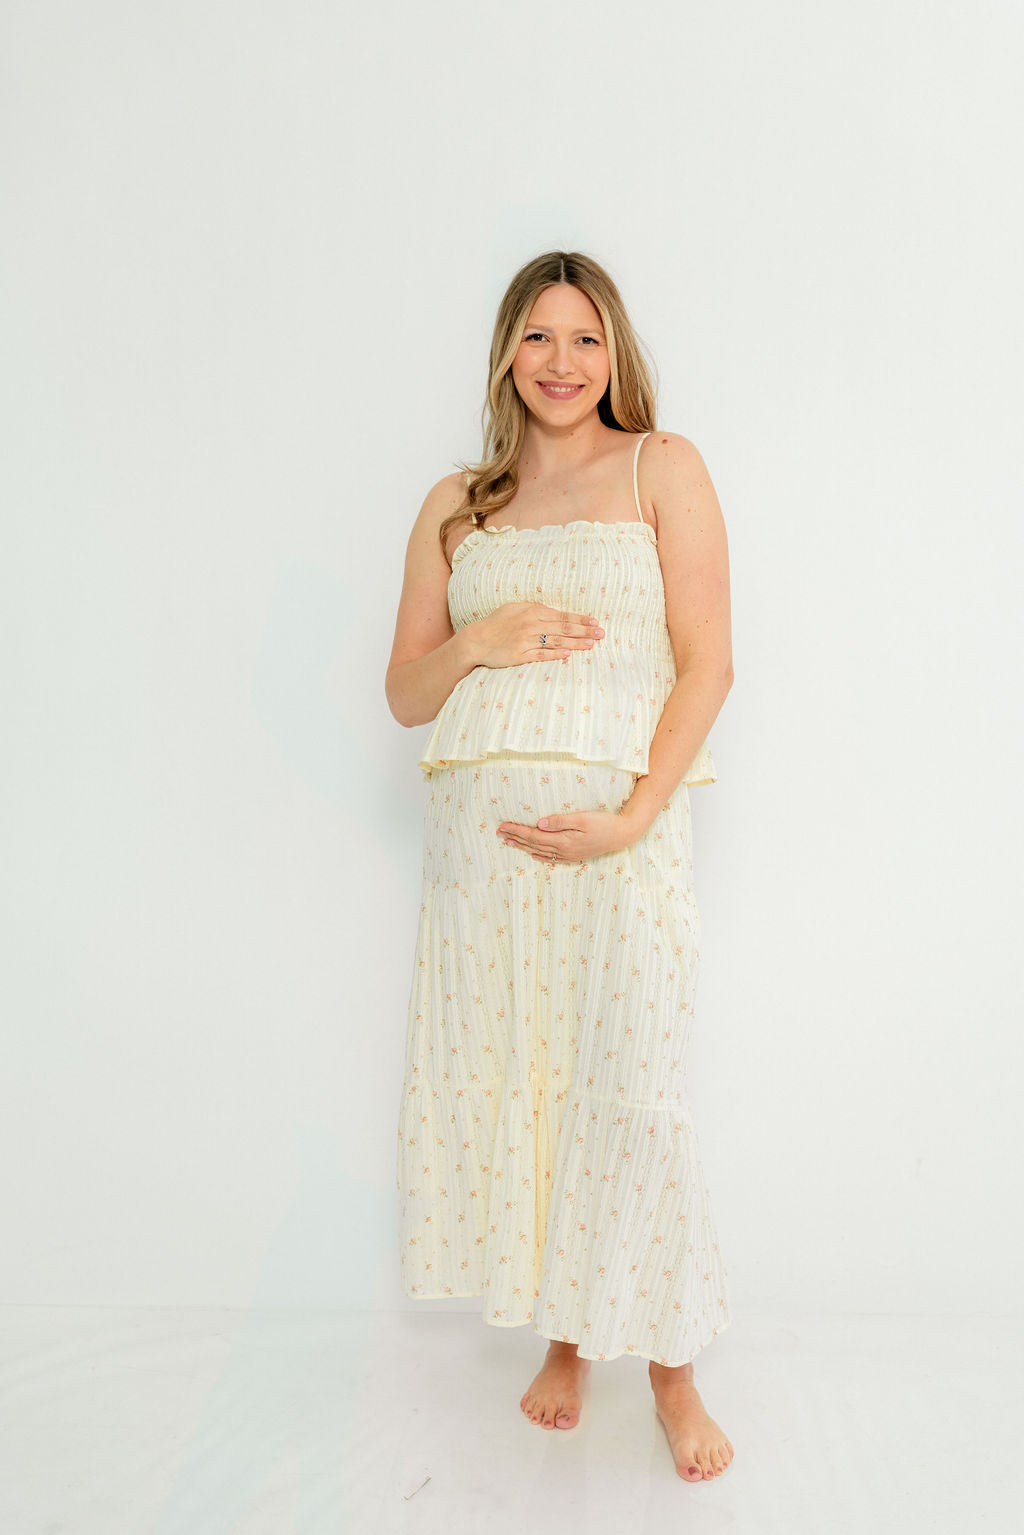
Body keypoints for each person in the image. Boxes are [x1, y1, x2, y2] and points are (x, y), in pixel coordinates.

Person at [385, 250, 735, 1482]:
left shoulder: (661, 466)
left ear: (615, 353)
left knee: (631, 1084)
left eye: (585, 338)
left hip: (618, 846)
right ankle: (567, 1337)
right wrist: (478, 638)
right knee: (535, 1083)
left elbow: (708, 663)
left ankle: (674, 1369)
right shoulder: (456, 503)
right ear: (505, 354)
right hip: (483, 870)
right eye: (537, 336)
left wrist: (635, 816)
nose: (561, 362)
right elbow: (405, 693)